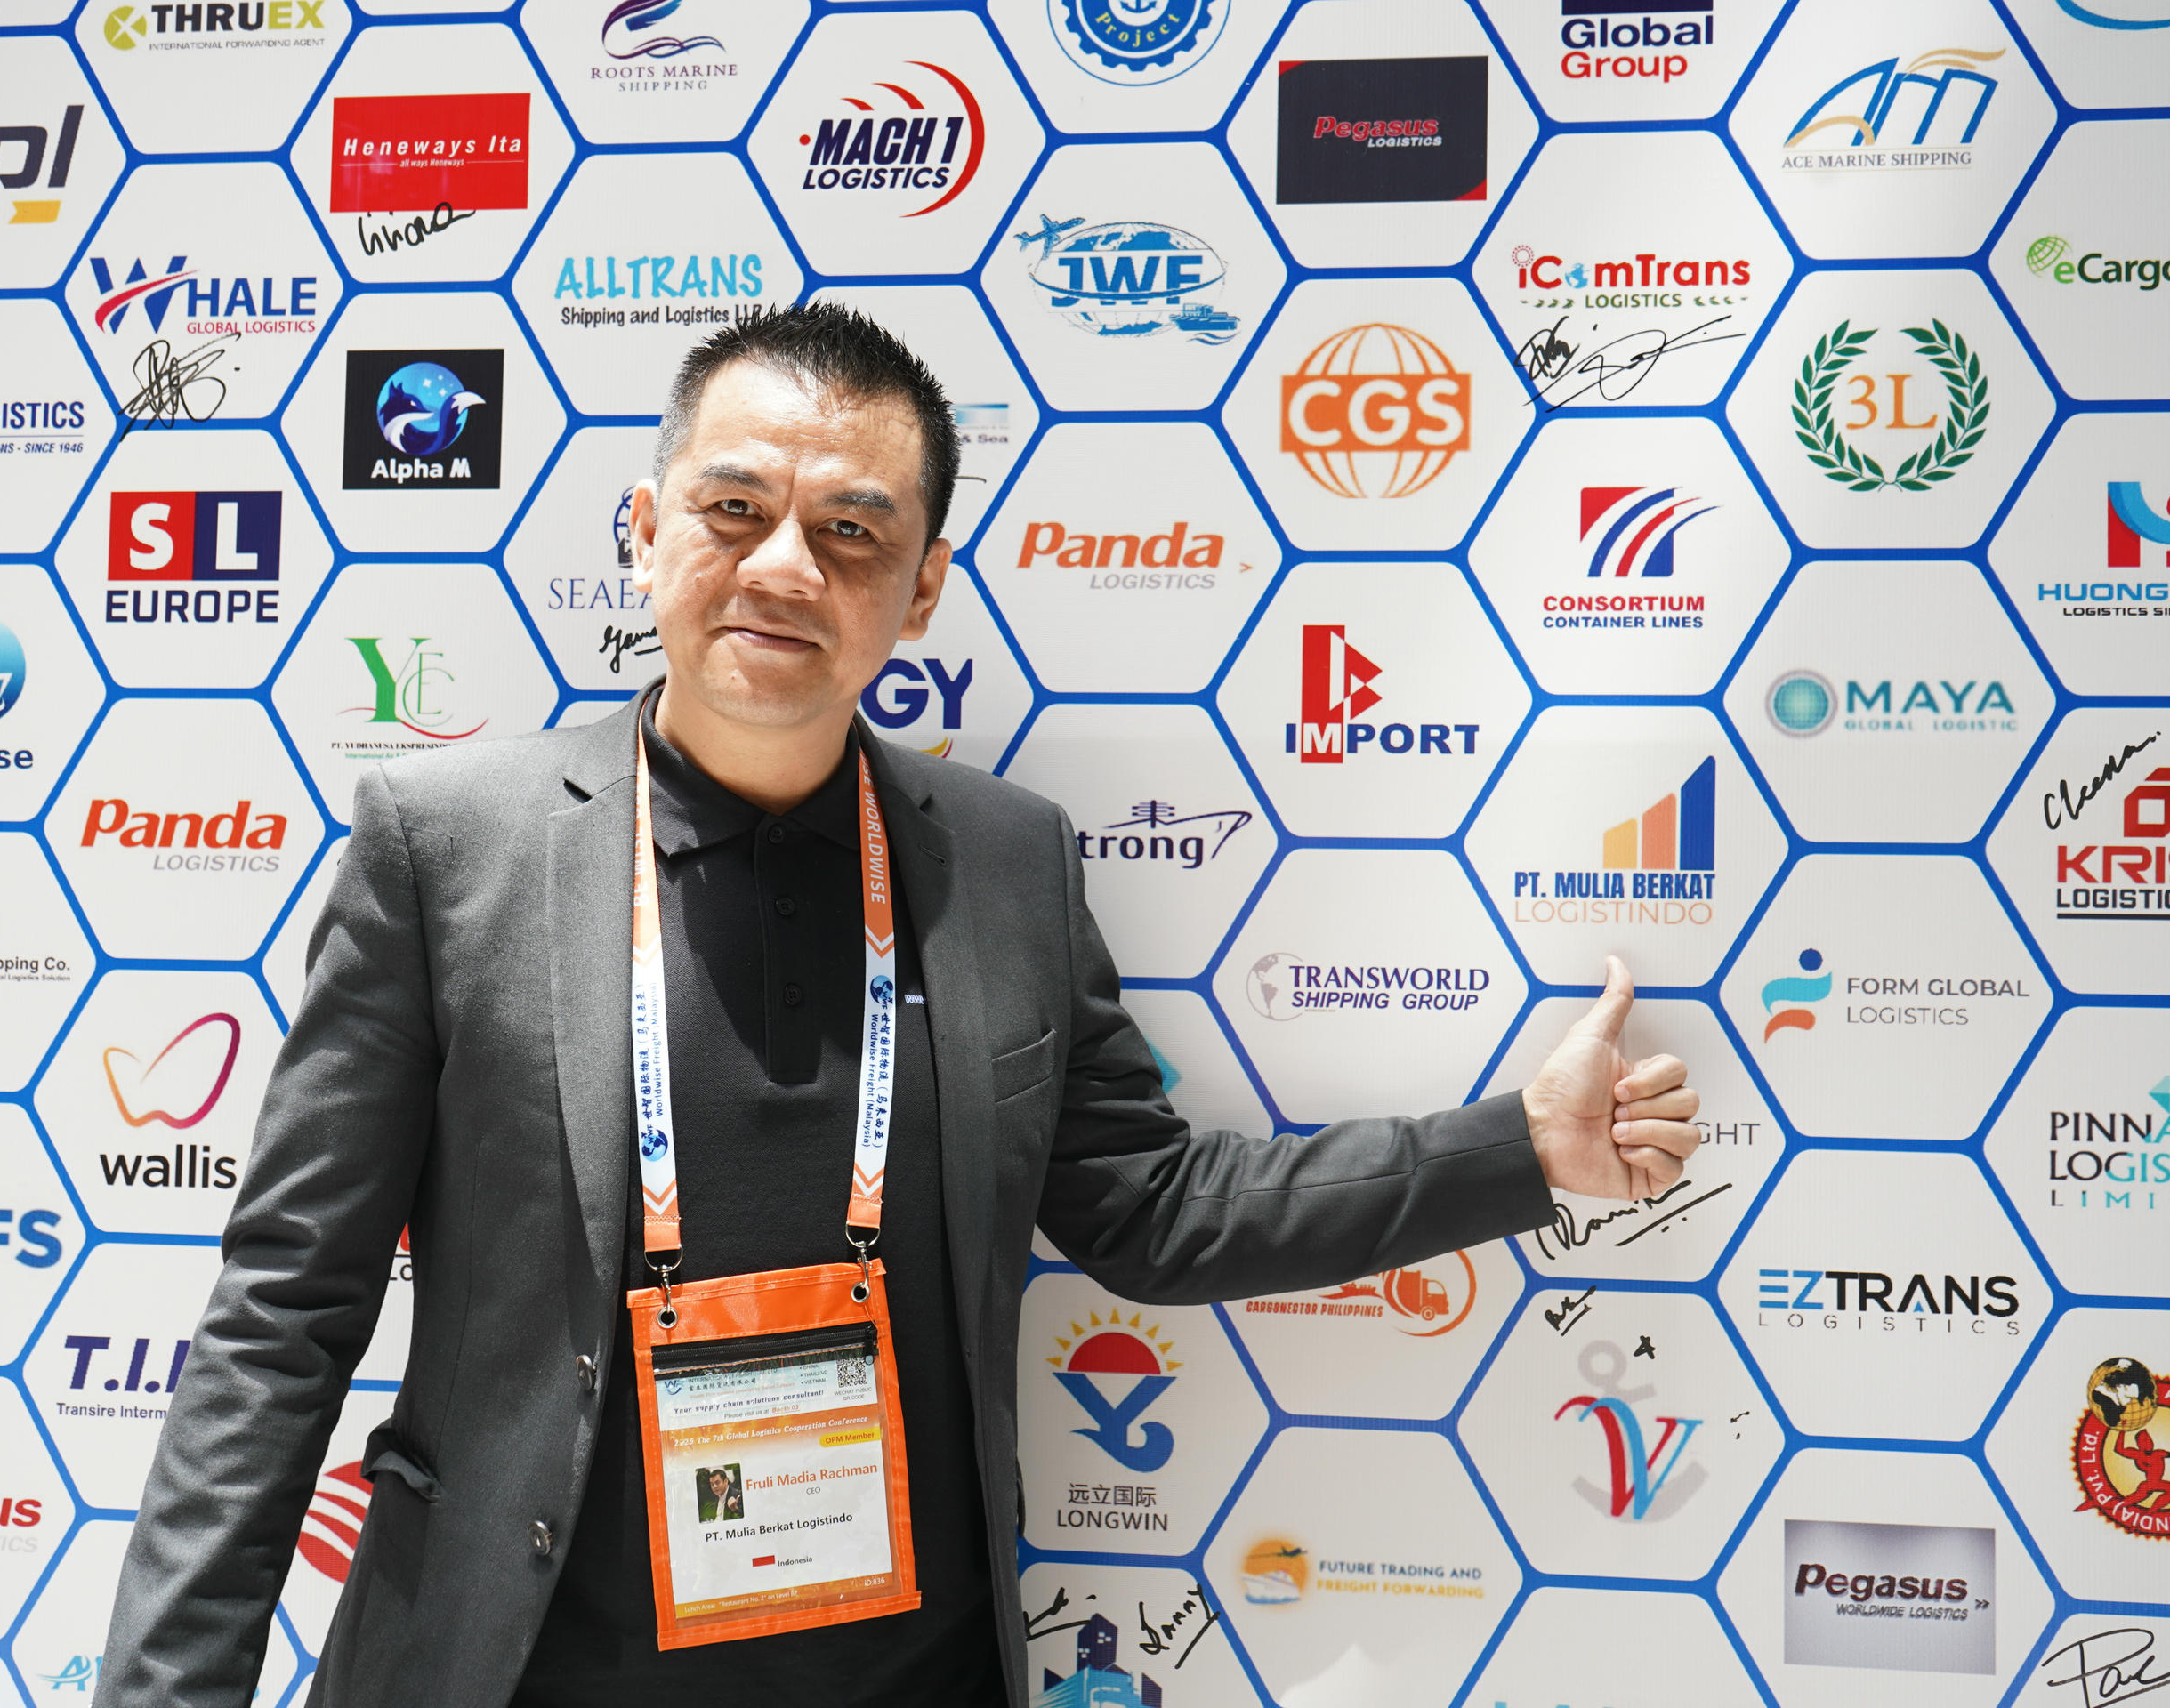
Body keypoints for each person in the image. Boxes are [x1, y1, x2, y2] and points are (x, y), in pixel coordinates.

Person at [93, 303, 1701, 1708]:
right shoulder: (449, 852)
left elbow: (1152, 1208)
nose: (784, 568)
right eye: (734, 508)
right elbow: (283, 1316)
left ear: (923, 589)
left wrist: (1520, 1150)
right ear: (645, 532)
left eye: (853, 532)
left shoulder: (1004, 863)